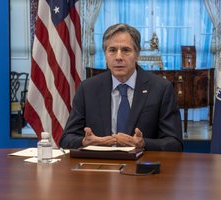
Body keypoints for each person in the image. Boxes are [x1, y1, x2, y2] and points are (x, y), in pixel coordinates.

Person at [59, 23, 183, 151]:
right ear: (105, 54)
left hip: (141, 166)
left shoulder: (161, 88)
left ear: (137, 54)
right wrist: (85, 142)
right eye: (112, 50)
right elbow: (66, 139)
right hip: (98, 165)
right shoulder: (87, 88)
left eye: (126, 50)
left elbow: (174, 143)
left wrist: (143, 143)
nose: (118, 57)